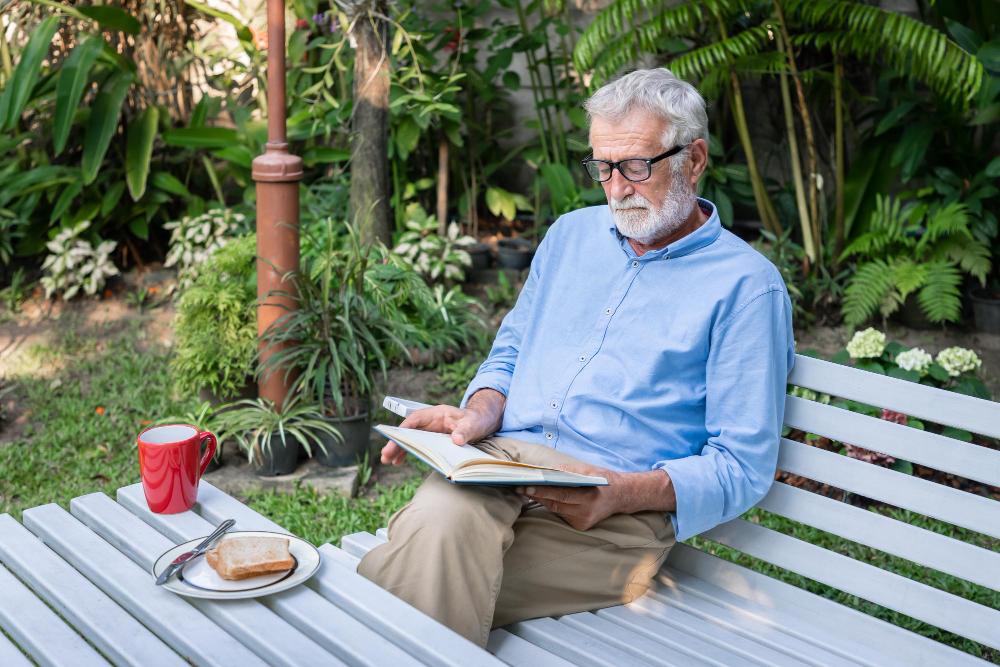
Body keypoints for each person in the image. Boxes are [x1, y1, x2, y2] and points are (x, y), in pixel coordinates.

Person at [358, 67, 795, 647]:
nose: (615, 188)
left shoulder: (747, 289)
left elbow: (741, 466)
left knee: (418, 556)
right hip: (504, 465)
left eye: (636, 166)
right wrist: (482, 410)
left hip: (611, 518)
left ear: (693, 159)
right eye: (602, 167)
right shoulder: (570, 236)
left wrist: (621, 492)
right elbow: (512, 347)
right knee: (442, 536)